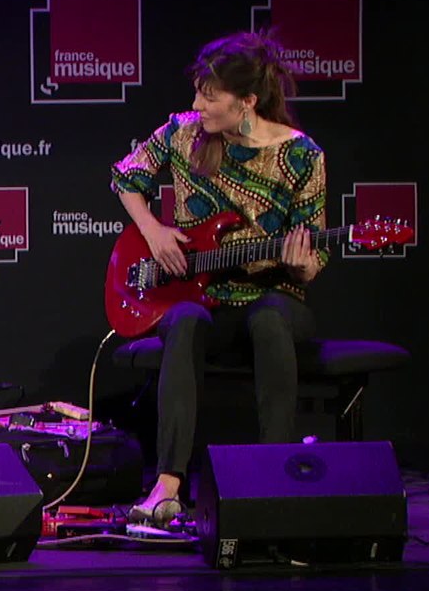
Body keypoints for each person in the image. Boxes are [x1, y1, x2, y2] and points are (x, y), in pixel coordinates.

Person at [109, 30, 327, 523]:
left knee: (271, 319)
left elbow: (312, 262)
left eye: (210, 97)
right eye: (198, 94)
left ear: (247, 101)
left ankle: (276, 477)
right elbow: (126, 177)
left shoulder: (302, 156)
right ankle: (167, 485)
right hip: (201, 296)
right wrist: (154, 231)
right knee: (183, 321)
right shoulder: (184, 133)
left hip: (273, 295)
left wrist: (301, 261)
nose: (196, 105)